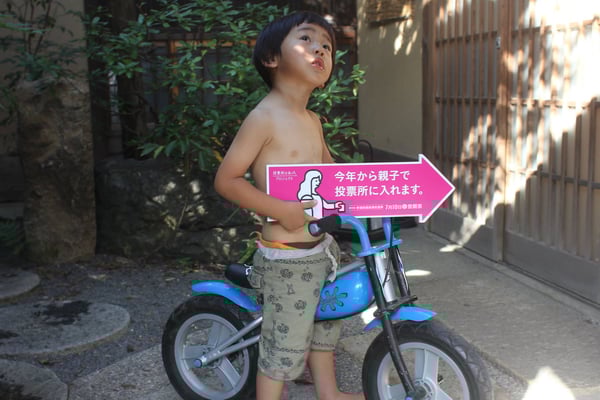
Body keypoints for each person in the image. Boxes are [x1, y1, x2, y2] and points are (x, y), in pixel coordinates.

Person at [214, 11, 364, 400]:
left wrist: (368, 190)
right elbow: (227, 179)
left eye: (327, 46)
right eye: (307, 39)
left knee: (324, 325)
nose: (320, 50)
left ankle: (329, 394)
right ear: (271, 58)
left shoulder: (312, 119)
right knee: (284, 342)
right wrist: (282, 210)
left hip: (321, 248)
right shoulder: (263, 118)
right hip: (287, 258)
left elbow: (330, 174)